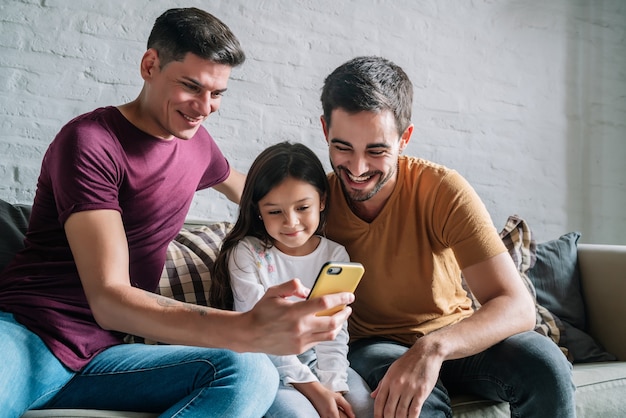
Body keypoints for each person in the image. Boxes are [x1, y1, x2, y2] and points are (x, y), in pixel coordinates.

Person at [0, 8, 355, 418]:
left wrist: (316, 222)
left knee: (250, 371)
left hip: (105, 356)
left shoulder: (198, 146)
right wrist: (247, 327)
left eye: (217, 93)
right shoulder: (90, 142)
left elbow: (257, 195)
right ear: (150, 65)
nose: (205, 107)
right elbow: (108, 300)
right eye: (191, 86)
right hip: (31, 333)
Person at [318, 56, 576, 418]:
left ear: (405, 138)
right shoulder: (314, 202)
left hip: (454, 337)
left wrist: (433, 347)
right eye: (342, 147)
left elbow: (517, 306)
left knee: (544, 364)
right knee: (409, 402)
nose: (357, 169)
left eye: (376, 151)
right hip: (373, 345)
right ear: (325, 130)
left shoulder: (442, 190)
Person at [211, 141, 374, 418]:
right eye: (275, 211)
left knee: (363, 409)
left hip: (321, 361)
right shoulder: (246, 253)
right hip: (265, 362)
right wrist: (315, 390)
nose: (291, 222)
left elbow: (333, 331)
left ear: (322, 201)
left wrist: (333, 385)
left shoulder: (335, 254)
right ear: (258, 210)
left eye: (302, 208)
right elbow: (259, 334)